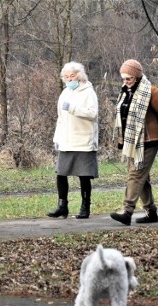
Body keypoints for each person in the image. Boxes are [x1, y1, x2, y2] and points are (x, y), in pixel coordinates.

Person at [110, 59, 158, 226]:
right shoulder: (126, 92)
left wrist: (154, 126)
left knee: (136, 174)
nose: (125, 82)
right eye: (123, 78)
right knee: (141, 177)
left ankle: (127, 210)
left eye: (128, 78)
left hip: (149, 140)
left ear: (137, 76)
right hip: (132, 142)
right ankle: (151, 212)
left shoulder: (150, 91)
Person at [47, 61, 99, 219]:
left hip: (83, 140)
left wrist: (73, 108)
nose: (69, 79)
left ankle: (85, 207)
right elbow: (60, 118)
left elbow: (92, 113)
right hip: (67, 140)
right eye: (66, 77)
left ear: (79, 75)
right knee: (61, 174)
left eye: (72, 76)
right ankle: (62, 206)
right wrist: (57, 137)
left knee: (84, 175)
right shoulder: (65, 93)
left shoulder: (88, 92)